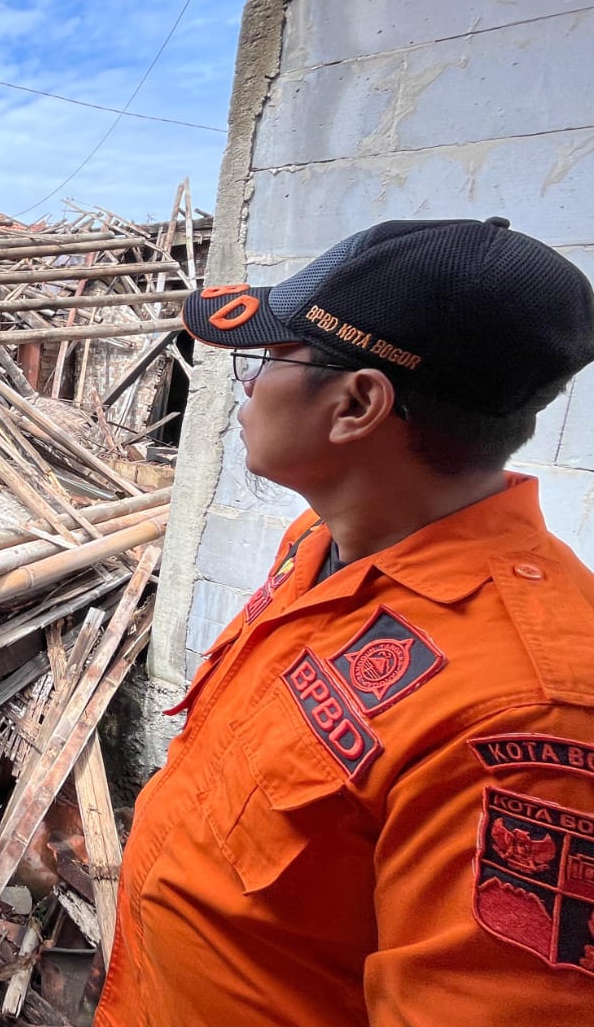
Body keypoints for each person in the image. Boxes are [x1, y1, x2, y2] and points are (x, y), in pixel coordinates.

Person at [95, 217, 594, 1026]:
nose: (248, 386)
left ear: (358, 403)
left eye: (269, 358)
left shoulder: (529, 712)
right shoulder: (321, 548)